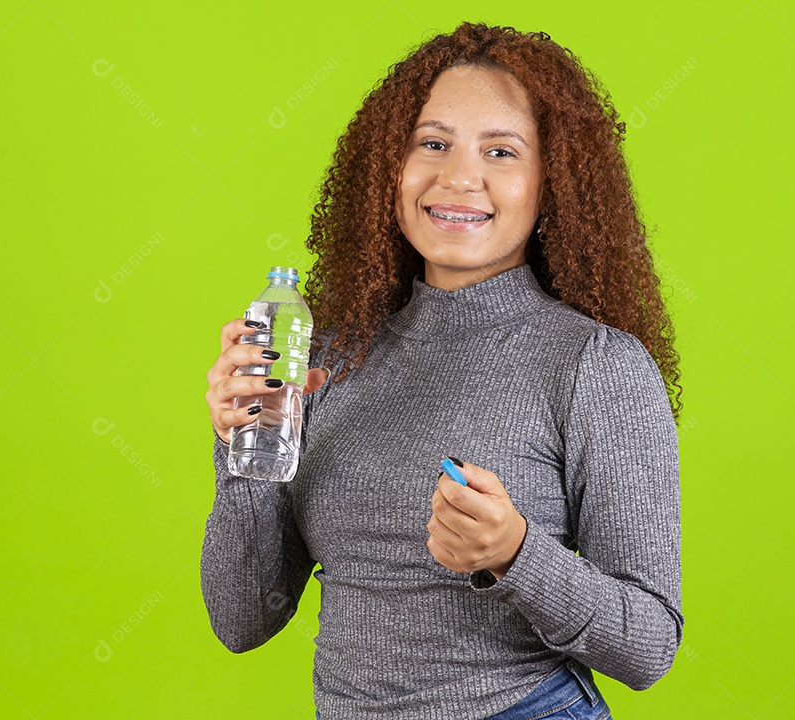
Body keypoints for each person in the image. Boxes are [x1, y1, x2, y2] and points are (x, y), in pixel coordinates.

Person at [202, 22, 683, 720]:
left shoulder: (594, 365)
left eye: (501, 150)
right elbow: (242, 621)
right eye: (433, 143)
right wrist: (242, 445)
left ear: (552, 186)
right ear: (388, 170)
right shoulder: (325, 357)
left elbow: (648, 646)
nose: (458, 176)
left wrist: (516, 554)